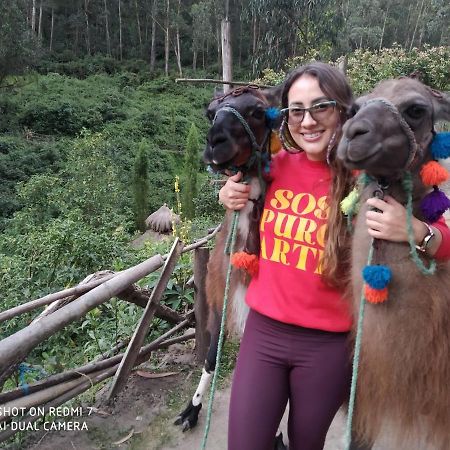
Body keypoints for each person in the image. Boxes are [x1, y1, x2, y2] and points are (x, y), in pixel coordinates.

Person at [219, 62, 450, 450]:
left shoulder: (366, 176)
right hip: (264, 335)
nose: (307, 121)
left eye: (320, 106)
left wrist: (418, 232)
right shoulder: (272, 169)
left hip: (326, 346)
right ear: (285, 117)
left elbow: (437, 224)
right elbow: (236, 190)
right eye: (296, 110)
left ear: (343, 110)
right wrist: (226, 194)